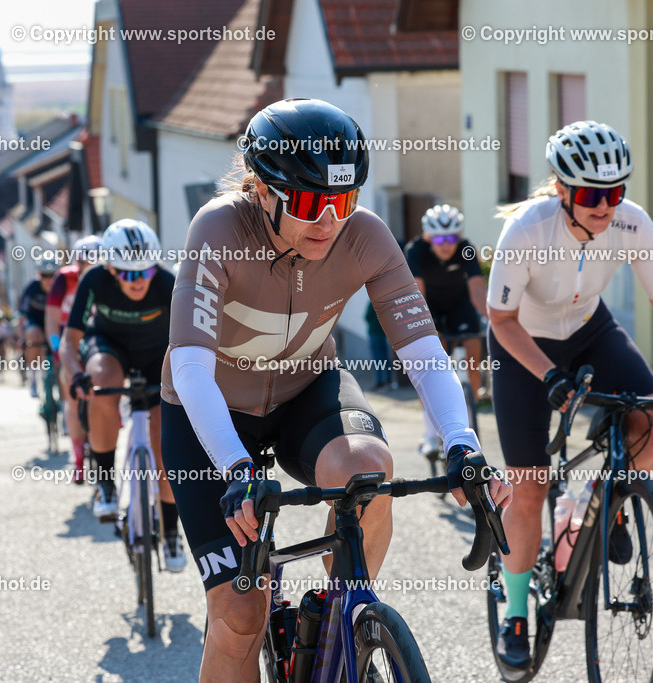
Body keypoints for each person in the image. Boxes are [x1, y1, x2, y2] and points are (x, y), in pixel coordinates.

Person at [162, 98, 512, 680]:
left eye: (342, 201)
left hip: (306, 393)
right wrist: (235, 468)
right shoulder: (219, 227)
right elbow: (192, 368)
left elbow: (425, 353)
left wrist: (461, 442)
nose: (327, 221)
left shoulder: (366, 238)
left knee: (368, 468)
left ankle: (336, 620)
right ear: (261, 189)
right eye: (306, 203)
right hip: (211, 415)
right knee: (241, 615)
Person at [487, 120, 653, 671]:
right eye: (593, 195)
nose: (606, 206)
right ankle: (516, 614)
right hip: (524, 346)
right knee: (528, 489)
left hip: (591, 332)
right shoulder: (527, 229)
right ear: (565, 191)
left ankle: (605, 498)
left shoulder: (632, 224)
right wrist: (549, 377)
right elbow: (499, 319)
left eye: (616, 193)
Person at [62, 220, 185, 572]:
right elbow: (71, 343)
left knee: (165, 440)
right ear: (111, 269)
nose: (139, 281)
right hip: (109, 349)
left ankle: (172, 531)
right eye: (128, 275)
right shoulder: (94, 279)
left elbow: (194, 340)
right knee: (100, 383)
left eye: (145, 271)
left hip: (155, 357)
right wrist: (77, 376)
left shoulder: (165, 282)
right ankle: (105, 484)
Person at [405, 203, 488, 456]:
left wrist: (495, 319)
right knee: (430, 366)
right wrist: (428, 330)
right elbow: (417, 293)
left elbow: (476, 290)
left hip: (459, 306)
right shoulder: (416, 251)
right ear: (428, 236)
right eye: (439, 238)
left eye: (451, 237)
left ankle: (469, 426)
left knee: (473, 358)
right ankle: (430, 435)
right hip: (429, 306)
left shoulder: (466, 250)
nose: (445, 244)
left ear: (459, 236)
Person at [46, 235, 101, 475]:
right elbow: (51, 319)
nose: (87, 270)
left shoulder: (107, 277)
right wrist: (58, 349)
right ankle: (78, 457)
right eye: (83, 264)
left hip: (95, 339)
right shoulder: (63, 279)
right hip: (68, 337)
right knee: (71, 394)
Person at [20, 257, 58, 397]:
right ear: (39, 275)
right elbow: (22, 315)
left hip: (54, 321)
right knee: (34, 337)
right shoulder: (32, 288)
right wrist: (21, 338)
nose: (48, 279)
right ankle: (33, 378)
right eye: (44, 275)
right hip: (35, 321)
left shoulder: (61, 287)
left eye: (52, 275)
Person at [364, 299, 395, 390]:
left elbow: (367, 317)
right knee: (385, 357)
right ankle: (389, 380)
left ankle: (379, 381)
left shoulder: (371, 303)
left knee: (377, 359)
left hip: (374, 333)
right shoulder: (384, 302)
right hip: (383, 333)